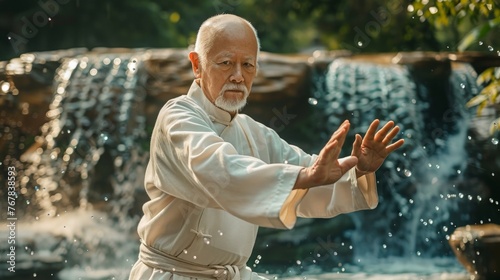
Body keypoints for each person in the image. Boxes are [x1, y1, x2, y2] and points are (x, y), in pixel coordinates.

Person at [129, 14, 405, 280]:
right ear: (197, 65)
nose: (238, 76)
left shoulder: (254, 133)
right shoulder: (177, 115)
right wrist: (305, 176)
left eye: (248, 65)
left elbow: (311, 172)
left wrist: (357, 170)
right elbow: (216, 167)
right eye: (226, 63)